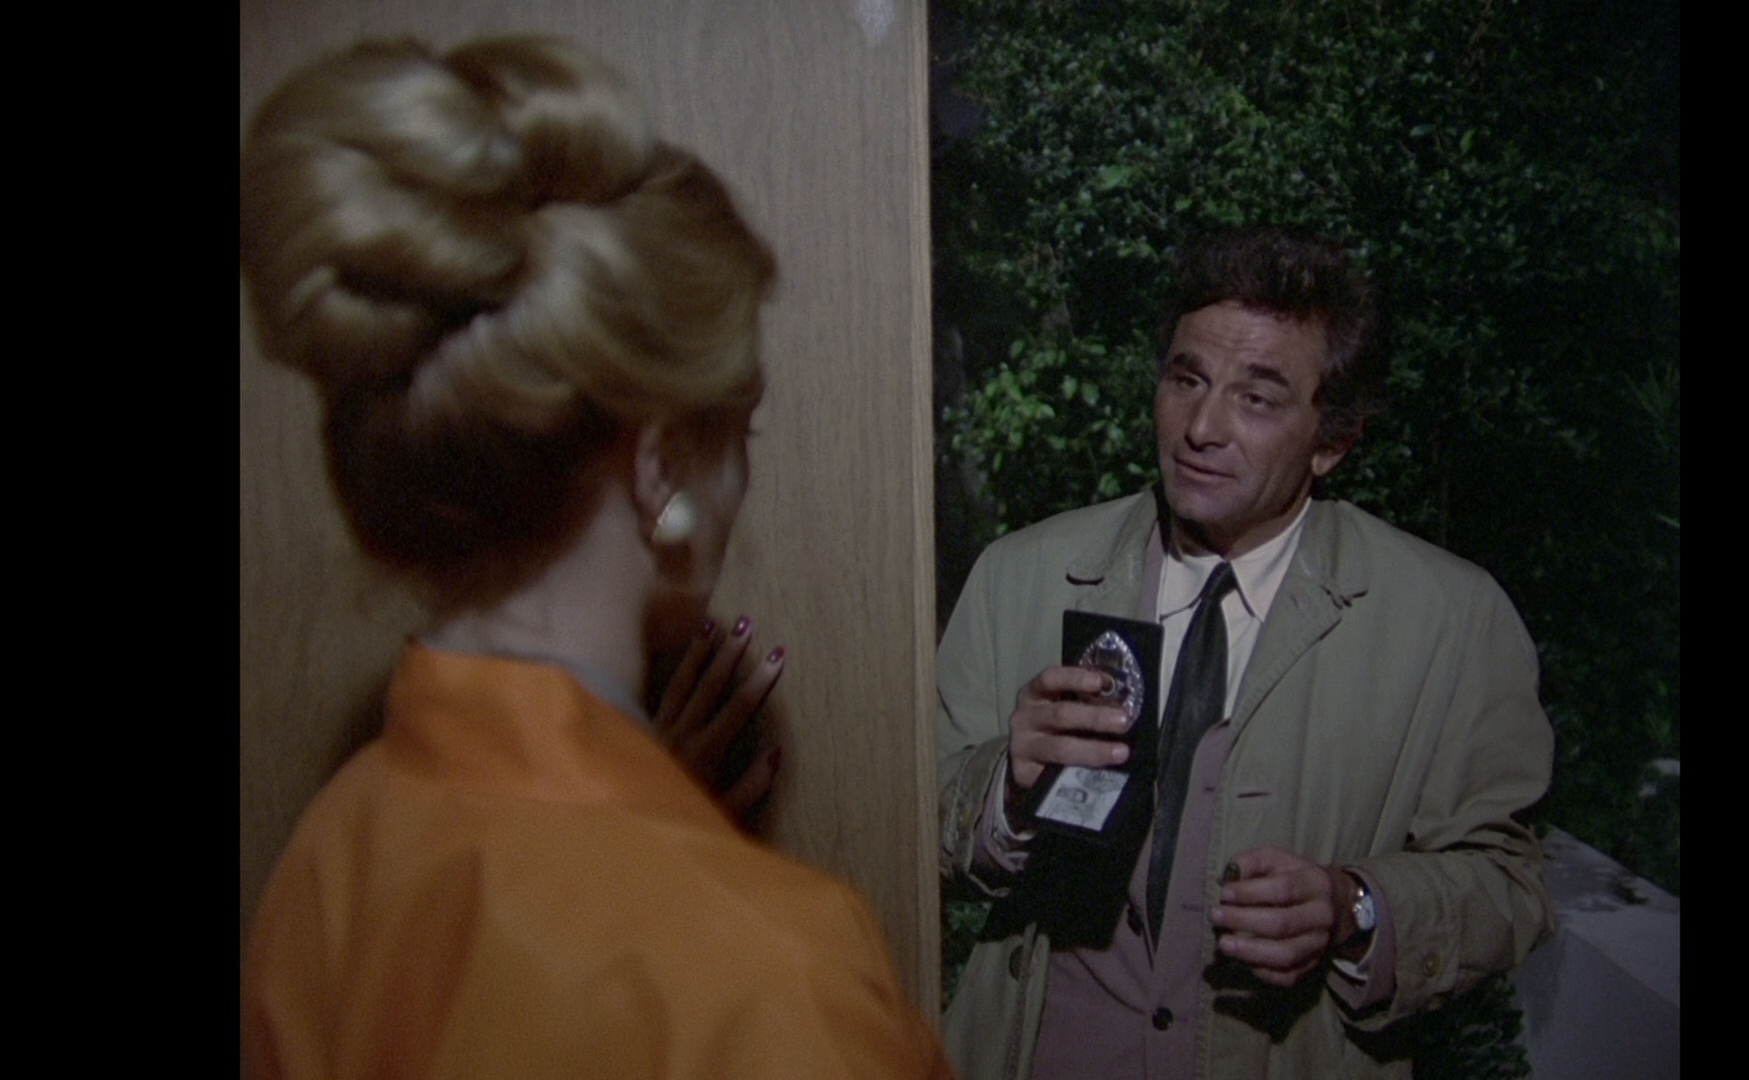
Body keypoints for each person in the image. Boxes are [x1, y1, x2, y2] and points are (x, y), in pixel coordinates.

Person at [240, 35, 951, 1080]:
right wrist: (669, 870)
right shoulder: (775, 970)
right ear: (661, 464)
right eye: (741, 426)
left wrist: (645, 816)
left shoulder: (333, 850)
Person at [937, 228, 1554, 1079]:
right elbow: (911, 820)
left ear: (1332, 441)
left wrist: (1354, 906)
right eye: (1186, 380)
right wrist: (1005, 788)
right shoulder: (1021, 577)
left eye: (1257, 399)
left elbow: (1510, 884)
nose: (1201, 427)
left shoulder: (1451, 621)